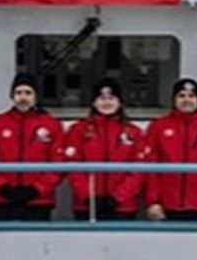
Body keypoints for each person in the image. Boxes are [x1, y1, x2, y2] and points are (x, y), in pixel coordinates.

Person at [0, 73, 65, 220]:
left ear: (36, 96)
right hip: (3, 199)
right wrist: (1, 187)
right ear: (12, 96)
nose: (23, 97)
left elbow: (58, 162)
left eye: (28, 93)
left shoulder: (51, 125)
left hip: (39, 200)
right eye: (18, 93)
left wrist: (37, 189)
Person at [62, 78, 148, 220]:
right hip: (86, 205)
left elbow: (139, 171)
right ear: (94, 102)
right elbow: (73, 167)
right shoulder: (78, 130)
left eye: (111, 98)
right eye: (102, 98)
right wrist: (88, 196)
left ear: (120, 102)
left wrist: (117, 198)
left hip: (123, 206)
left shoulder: (134, 132)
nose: (107, 103)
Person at [143, 78, 197, 221]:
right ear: (173, 100)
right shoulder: (158, 127)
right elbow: (150, 168)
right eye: (181, 96)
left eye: (191, 96)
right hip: (166, 205)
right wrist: (153, 201)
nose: (186, 100)